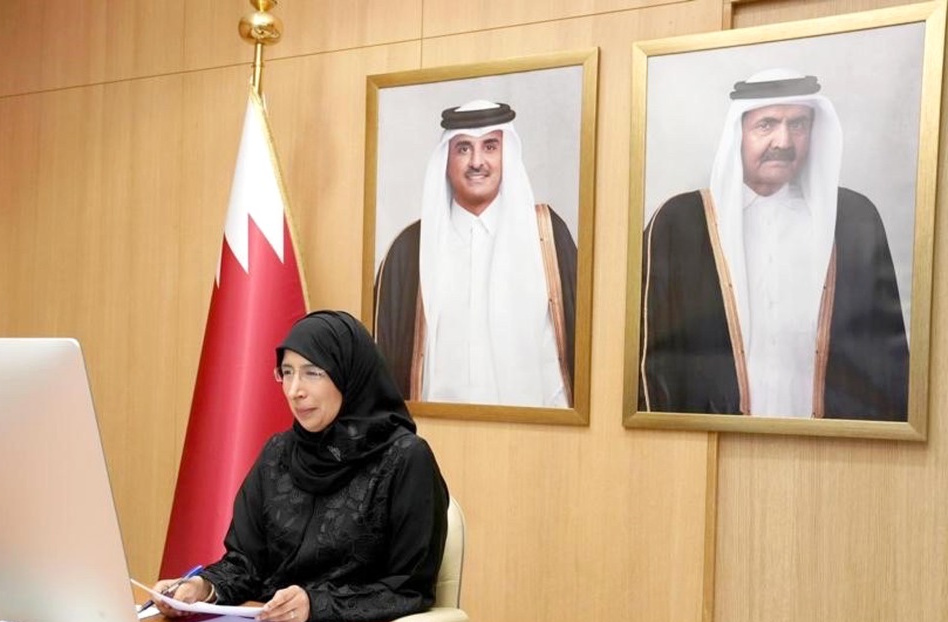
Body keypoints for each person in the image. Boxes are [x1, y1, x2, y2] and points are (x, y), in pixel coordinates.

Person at [640, 69, 909, 420]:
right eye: (766, 125)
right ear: (738, 133)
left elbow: (885, 358)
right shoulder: (678, 223)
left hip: (829, 445)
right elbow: (651, 359)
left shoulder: (854, 219)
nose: (784, 141)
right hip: (713, 442)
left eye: (798, 125)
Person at [153, 310, 449, 622]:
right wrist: (203, 589)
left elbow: (407, 589)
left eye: (312, 373)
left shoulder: (405, 458)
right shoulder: (277, 453)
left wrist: (315, 605)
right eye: (287, 372)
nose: (295, 390)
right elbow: (246, 565)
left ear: (349, 374)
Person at [373, 100, 577, 408]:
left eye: (491, 147)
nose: (477, 162)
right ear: (446, 159)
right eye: (464, 148)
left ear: (506, 154)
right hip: (436, 439)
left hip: (536, 434)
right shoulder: (410, 248)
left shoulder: (546, 235)